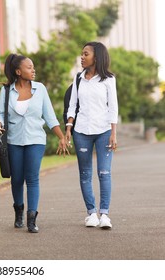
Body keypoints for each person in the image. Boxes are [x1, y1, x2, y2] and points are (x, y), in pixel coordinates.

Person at [0, 54, 69, 233]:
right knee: (17, 179)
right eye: (29, 67)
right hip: (14, 141)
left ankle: (32, 219)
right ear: (18, 71)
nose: (33, 70)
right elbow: (1, 113)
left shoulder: (40, 89)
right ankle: (19, 211)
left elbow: (49, 116)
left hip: (35, 140)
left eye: (33, 67)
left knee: (32, 178)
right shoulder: (7, 90)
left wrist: (61, 136)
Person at [65, 42, 118, 229]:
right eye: (82, 53)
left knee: (104, 173)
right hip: (81, 131)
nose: (82, 57)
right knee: (85, 174)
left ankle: (104, 214)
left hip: (103, 131)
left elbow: (113, 107)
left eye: (85, 54)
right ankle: (91, 213)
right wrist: (68, 128)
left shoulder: (108, 79)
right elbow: (72, 105)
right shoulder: (78, 78)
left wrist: (113, 133)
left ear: (96, 57)